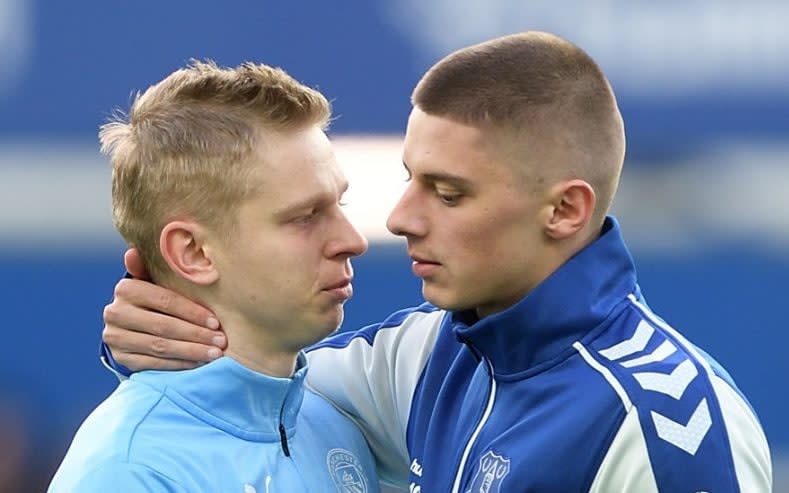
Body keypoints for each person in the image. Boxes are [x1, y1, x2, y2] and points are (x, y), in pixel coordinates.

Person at [101, 32, 773, 492]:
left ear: (565, 210)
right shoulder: (426, 355)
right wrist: (165, 317)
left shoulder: (664, 427)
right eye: (410, 178)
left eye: (448, 193)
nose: (398, 220)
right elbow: (247, 388)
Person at [49, 60, 380, 493]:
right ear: (194, 252)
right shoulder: (128, 471)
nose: (352, 240)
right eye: (305, 217)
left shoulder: (344, 428)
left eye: (340, 205)